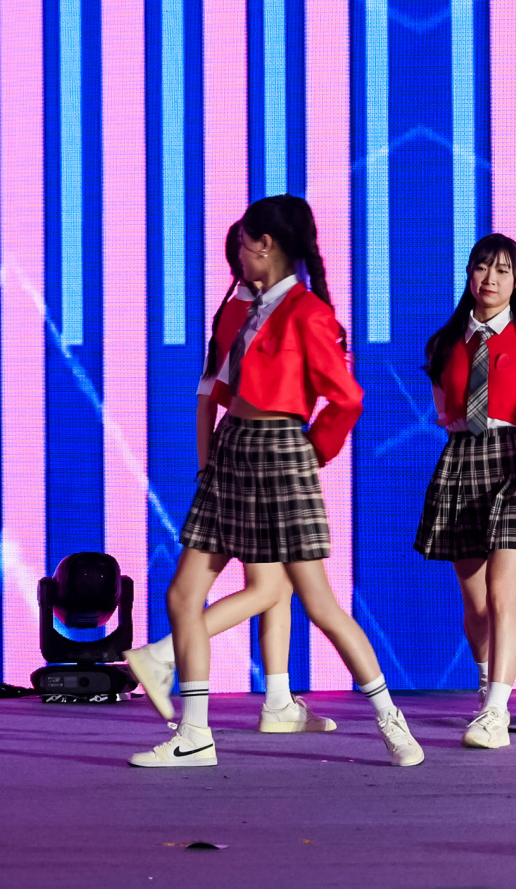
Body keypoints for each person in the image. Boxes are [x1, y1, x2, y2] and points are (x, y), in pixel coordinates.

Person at [129, 195, 423, 768]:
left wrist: (311, 451)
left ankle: (391, 720)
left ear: (264, 246)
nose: (236, 255)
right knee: (183, 594)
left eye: (243, 244)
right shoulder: (247, 308)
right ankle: (194, 734)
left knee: (318, 602)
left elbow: (346, 398)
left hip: (281, 451)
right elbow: (216, 389)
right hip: (233, 449)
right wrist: (211, 457)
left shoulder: (307, 313)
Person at [125, 222, 334, 735]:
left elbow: (207, 399)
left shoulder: (260, 306)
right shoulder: (248, 311)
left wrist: (208, 465)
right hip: (254, 461)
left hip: (236, 458)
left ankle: (278, 700)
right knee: (270, 585)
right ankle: (163, 655)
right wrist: (211, 469)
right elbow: (210, 397)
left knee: (275, 586)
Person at [416, 234, 516, 748]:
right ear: (469, 274)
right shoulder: (443, 343)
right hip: (463, 459)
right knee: (476, 601)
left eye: (502, 270)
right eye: (482, 267)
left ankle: (497, 710)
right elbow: (446, 412)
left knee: (503, 593)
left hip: (515, 459)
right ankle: (485, 685)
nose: (490, 279)